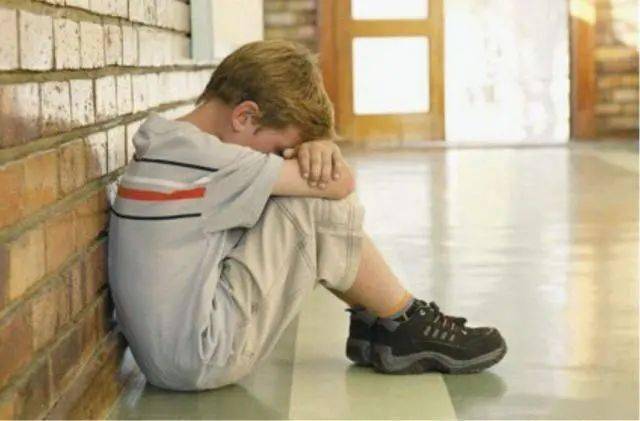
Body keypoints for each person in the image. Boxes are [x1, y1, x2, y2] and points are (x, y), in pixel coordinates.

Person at [107, 40, 507, 391]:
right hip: (203, 356)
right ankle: (402, 322)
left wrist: (308, 151)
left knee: (292, 193)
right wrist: (320, 152)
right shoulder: (209, 160)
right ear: (245, 117)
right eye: (280, 150)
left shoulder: (169, 141)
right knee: (313, 204)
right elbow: (337, 184)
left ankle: (382, 321)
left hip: (171, 355)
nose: (281, 158)